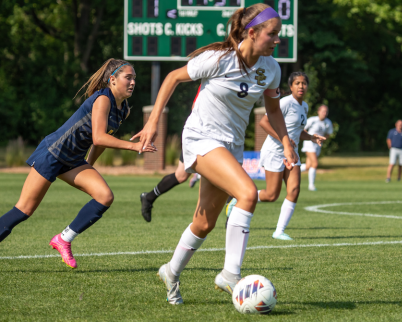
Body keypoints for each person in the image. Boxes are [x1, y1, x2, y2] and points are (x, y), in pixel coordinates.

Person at [131, 4, 297, 305]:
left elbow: (273, 110)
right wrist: (153, 121)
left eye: (278, 35)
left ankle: (170, 271)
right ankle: (231, 274)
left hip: (229, 147)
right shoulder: (219, 59)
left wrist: (286, 143)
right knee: (247, 193)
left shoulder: (271, 69)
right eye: (272, 34)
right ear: (252, 32)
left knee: (205, 222)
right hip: (201, 138)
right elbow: (171, 78)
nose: (277, 41)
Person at [0, 59, 155, 268]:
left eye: (134, 78)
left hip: (73, 160)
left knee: (104, 196)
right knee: (24, 210)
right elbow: (99, 137)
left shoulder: (123, 109)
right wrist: (134, 146)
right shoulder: (103, 99)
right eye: (128, 77)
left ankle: (63, 239)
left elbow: (100, 141)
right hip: (53, 153)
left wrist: (89, 164)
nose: (133, 82)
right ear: (112, 80)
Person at [226, 72, 324, 241]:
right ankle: (238, 199)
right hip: (274, 152)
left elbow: (297, 132)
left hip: (292, 155)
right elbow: (264, 122)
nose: (301, 86)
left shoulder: (304, 107)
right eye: (297, 83)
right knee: (271, 195)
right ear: (291, 87)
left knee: (294, 190)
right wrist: (284, 141)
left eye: (304, 83)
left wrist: (311, 137)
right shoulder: (285, 102)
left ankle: (279, 231)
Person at [140, 87, 203, 222]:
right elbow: (195, 106)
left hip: (210, 135)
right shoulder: (214, 78)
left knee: (180, 176)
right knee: (184, 176)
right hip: (200, 135)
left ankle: (149, 197)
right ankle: (228, 216)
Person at [300, 105, 333, 191]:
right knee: (315, 164)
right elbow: (302, 129)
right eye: (323, 111)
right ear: (318, 111)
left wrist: (322, 139)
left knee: (308, 166)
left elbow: (328, 134)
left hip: (317, 145)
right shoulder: (312, 120)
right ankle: (311, 186)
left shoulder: (328, 122)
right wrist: (310, 137)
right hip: (309, 143)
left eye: (326, 112)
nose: (324, 113)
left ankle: (288, 172)